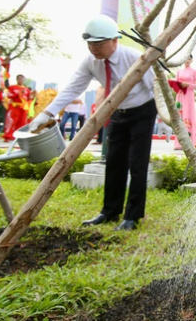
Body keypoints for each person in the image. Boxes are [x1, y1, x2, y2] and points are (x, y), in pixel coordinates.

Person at [30, 15, 157, 231]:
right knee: (114, 161)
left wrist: (166, 114)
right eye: (90, 43)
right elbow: (73, 87)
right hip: (115, 111)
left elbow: (154, 87)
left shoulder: (135, 57)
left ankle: (132, 217)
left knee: (137, 163)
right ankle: (110, 211)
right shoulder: (90, 62)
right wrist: (47, 113)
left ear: (114, 41)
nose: (94, 48)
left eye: (99, 43)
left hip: (142, 111)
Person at [173, 55, 196, 149]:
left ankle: (191, 141)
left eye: (189, 59)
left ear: (192, 60)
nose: (187, 61)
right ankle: (179, 143)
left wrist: (188, 84)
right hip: (180, 95)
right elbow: (176, 84)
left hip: (189, 96)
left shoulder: (194, 71)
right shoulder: (179, 72)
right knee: (179, 116)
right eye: (185, 59)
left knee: (188, 115)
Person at [2, 74, 32, 141]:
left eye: (22, 78)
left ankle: (18, 136)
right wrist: (18, 93)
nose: (20, 80)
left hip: (23, 108)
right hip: (14, 107)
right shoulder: (12, 87)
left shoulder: (26, 89)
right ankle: (7, 136)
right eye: (19, 78)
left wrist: (33, 97)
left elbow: (29, 98)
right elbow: (8, 95)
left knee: (22, 123)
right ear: (17, 79)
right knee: (11, 121)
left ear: (24, 80)